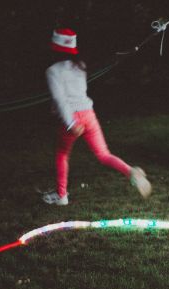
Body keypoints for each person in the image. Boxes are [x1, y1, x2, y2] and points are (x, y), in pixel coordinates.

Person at [42, 28, 151, 206]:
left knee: (62, 154)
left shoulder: (52, 71)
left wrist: (70, 123)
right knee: (103, 154)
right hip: (89, 114)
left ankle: (61, 195)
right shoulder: (81, 66)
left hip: (73, 118)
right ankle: (130, 171)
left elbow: (60, 99)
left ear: (54, 48)